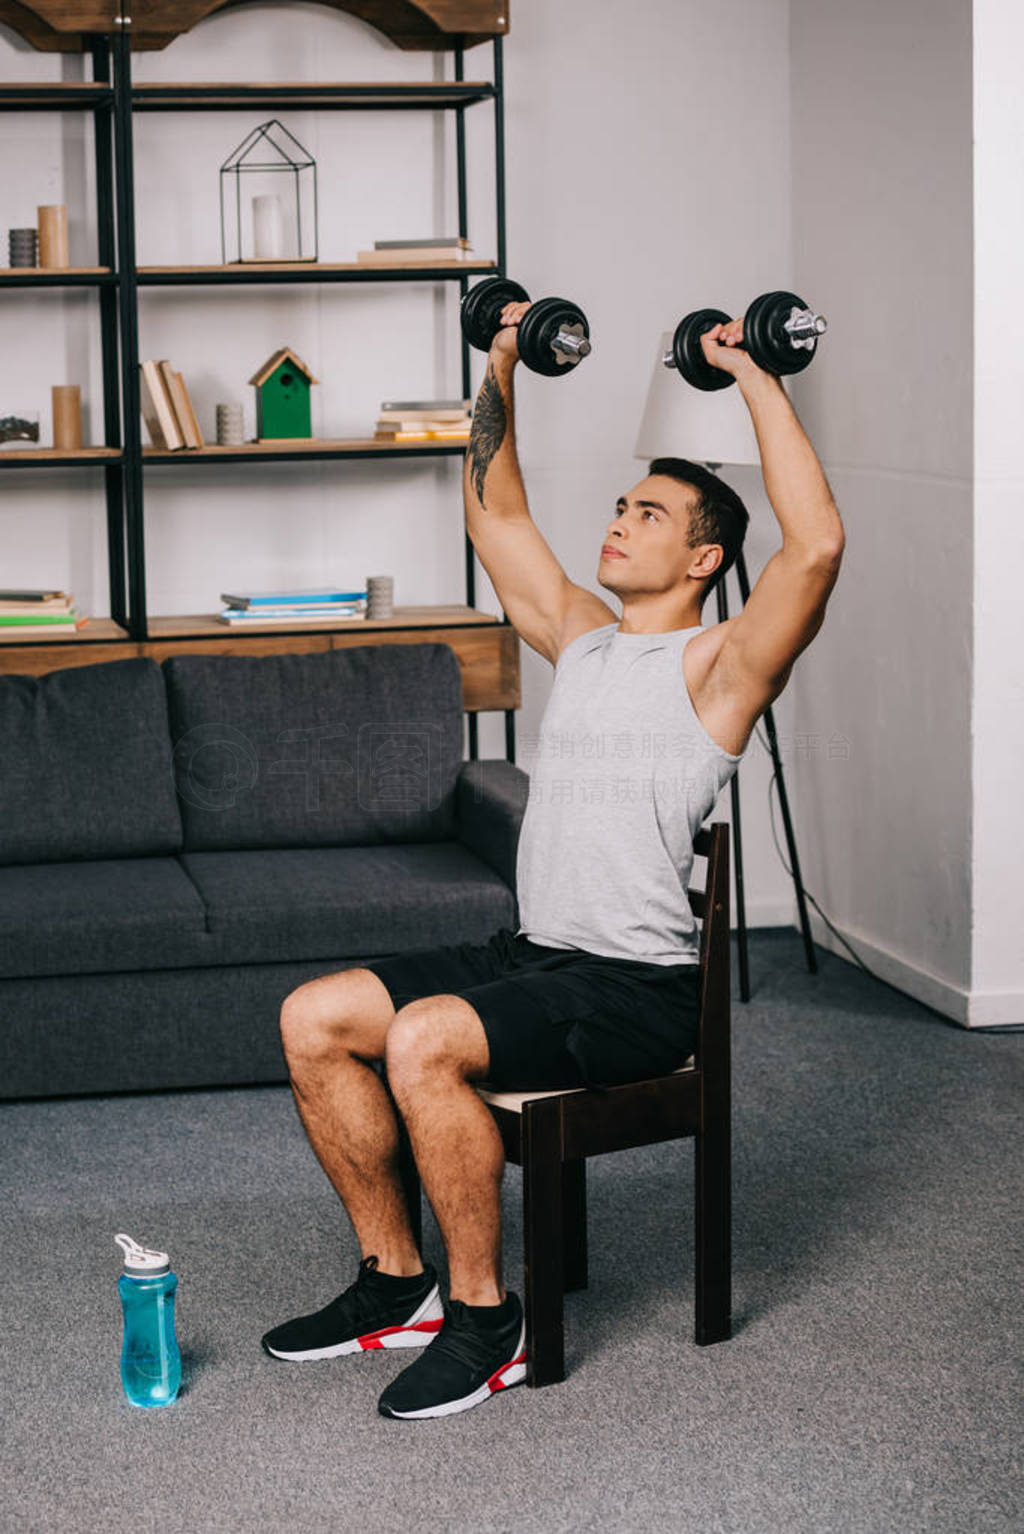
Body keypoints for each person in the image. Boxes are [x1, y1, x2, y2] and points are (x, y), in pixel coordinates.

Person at [261, 300, 845, 1420]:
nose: (619, 521)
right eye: (622, 505)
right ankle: (400, 1283)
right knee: (314, 1016)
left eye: (650, 514)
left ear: (705, 556)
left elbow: (814, 547)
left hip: (636, 985)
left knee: (426, 1038)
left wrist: (752, 370)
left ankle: (490, 1320)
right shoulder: (579, 638)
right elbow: (495, 512)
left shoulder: (720, 665)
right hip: (533, 954)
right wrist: (500, 359)